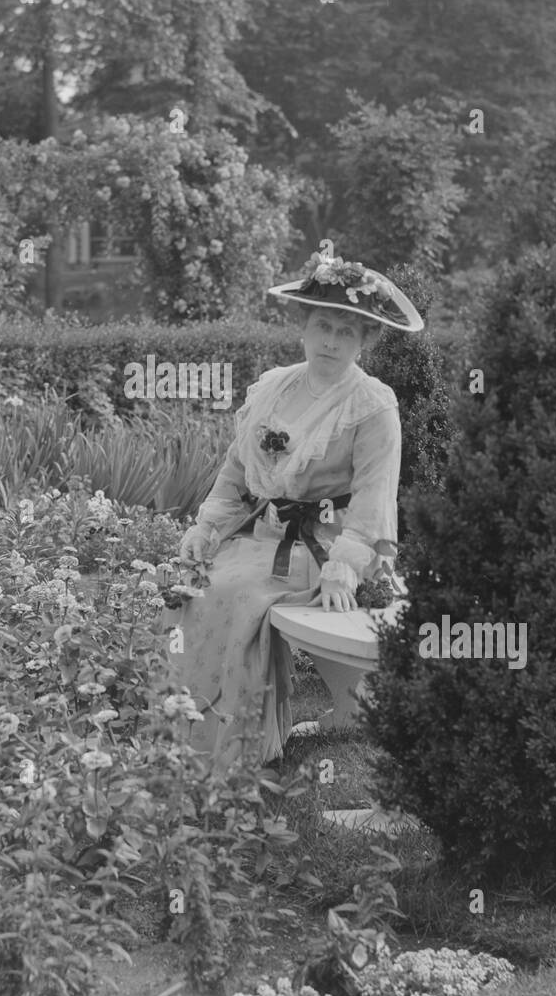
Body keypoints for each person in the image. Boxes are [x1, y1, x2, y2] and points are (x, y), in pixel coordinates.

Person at [169, 253, 424, 768]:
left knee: (236, 596)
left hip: (326, 547)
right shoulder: (274, 387)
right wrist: (206, 528)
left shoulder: (373, 406)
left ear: (365, 341)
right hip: (263, 539)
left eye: (347, 332)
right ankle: (178, 733)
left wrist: (344, 568)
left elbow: (376, 499)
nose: (332, 341)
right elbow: (236, 473)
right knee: (188, 585)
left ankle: (235, 752)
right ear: (303, 327)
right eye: (323, 326)